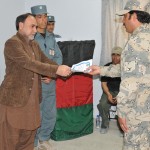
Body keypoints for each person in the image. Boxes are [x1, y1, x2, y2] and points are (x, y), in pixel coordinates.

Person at [0, 13, 71, 150]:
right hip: (14, 101)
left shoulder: (34, 45)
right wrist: (56, 70)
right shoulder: (12, 43)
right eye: (32, 26)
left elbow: (46, 61)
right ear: (21, 26)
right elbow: (29, 63)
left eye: (36, 27)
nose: (35, 30)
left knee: (28, 139)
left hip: (32, 102)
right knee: (10, 140)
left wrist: (67, 69)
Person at [88, 0, 150, 149]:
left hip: (139, 111)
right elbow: (128, 68)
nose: (123, 21)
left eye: (124, 16)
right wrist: (102, 70)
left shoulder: (135, 43)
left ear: (133, 16)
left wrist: (121, 112)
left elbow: (130, 83)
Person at [31, 5, 63, 150]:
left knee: (50, 113)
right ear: (34, 19)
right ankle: (33, 141)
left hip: (50, 83)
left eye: (45, 16)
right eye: (40, 17)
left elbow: (58, 56)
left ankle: (44, 139)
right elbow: (29, 61)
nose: (43, 20)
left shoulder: (51, 37)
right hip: (35, 84)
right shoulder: (30, 38)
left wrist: (51, 73)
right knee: (36, 114)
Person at [97, 47, 122, 134]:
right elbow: (103, 83)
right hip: (109, 91)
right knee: (102, 105)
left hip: (122, 92)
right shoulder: (106, 67)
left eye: (118, 55)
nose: (115, 57)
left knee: (126, 106)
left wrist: (119, 96)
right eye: (113, 55)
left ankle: (123, 128)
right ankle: (105, 124)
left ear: (122, 56)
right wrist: (108, 94)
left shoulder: (126, 68)